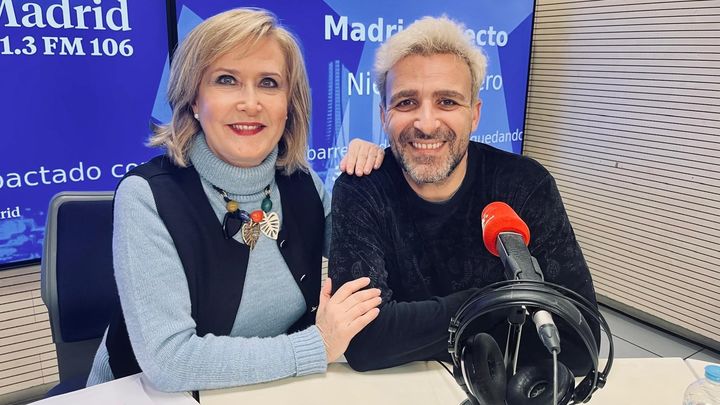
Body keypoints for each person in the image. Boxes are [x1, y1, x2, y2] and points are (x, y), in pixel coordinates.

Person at [86, 8, 385, 391]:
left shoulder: (303, 182)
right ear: (194, 99)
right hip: (148, 393)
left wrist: (378, 174)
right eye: (226, 80)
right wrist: (316, 346)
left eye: (269, 83)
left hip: (270, 388)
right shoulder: (146, 197)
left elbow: (379, 253)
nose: (250, 103)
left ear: (288, 103)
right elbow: (169, 361)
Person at [329, 16, 599, 372]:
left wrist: (411, 327)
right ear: (383, 116)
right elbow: (365, 342)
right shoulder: (362, 189)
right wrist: (507, 302)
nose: (426, 124)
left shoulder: (525, 184)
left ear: (475, 114)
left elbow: (579, 341)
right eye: (406, 102)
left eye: (447, 102)